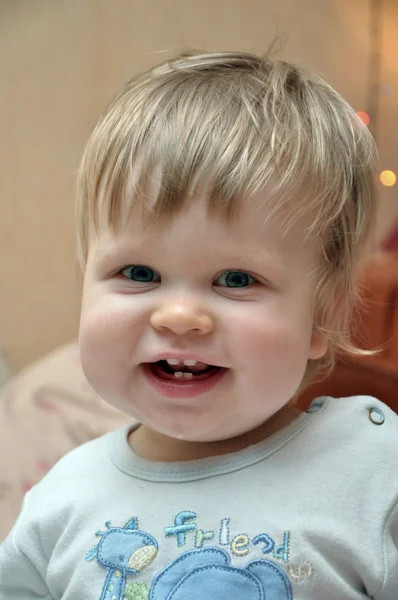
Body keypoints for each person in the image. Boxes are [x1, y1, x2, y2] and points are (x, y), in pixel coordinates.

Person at [0, 50, 396, 600]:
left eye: (236, 279)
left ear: (321, 317)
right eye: (138, 272)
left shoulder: (373, 473)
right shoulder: (60, 503)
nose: (180, 316)